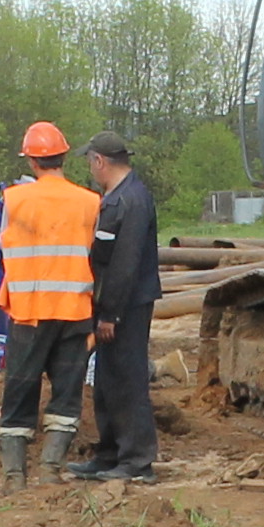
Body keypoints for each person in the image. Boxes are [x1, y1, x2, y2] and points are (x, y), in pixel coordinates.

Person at [0, 120, 96, 485]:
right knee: (67, 391)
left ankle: (14, 476)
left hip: (29, 311)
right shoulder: (89, 202)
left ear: (32, 162)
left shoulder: (15, 199)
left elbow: (3, 246)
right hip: (75, 310)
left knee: (20, 387)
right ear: (64, 157)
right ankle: (51, 469)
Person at [65, 129, 162, 483]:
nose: (90, 169)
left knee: (127, 379)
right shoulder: (117, 198)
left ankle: (137, 462)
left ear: (100, 161)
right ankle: (110, 454)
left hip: (127, 306)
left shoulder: (131, 201)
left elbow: (124, 264)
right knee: (107, 380)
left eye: (90, 162)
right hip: (114, 304)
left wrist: (110, 314)